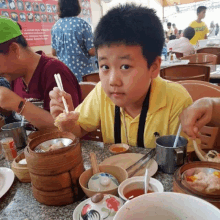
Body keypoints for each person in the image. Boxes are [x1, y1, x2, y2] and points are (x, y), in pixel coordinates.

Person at [50, 4, 193, 149]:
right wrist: (68, 124)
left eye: (125, 66)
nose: (112, 81)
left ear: (154, 67)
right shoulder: (102, 93)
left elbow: (185, 161)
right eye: (105, 66)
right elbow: (79, 130)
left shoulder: (176, 100)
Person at [0, 16, 82, 130]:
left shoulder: (55, 71)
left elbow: (70, 130)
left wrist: (19, 105)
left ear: (15, 50)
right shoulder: (15, 77)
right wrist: (6, 110)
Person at [51, 0, 95, 82]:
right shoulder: (83, 24)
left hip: (65, 74)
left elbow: (54, 52)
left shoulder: (55, 27)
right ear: (76, 6)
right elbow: (92, 51)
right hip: (84, 75)